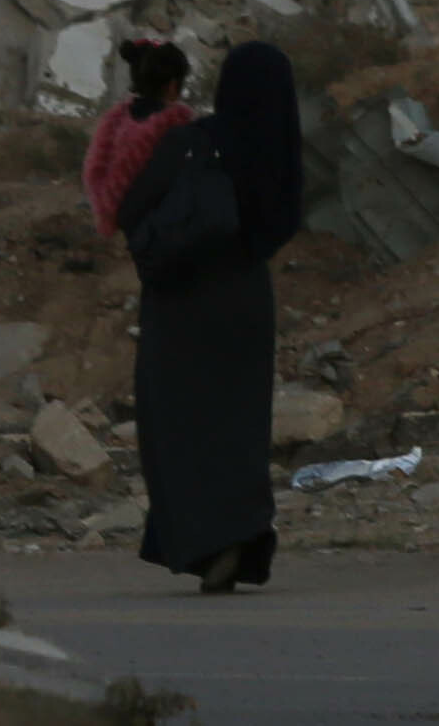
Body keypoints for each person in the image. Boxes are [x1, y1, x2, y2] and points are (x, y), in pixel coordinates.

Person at [117, 39, 306, 595]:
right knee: (239, 426)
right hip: (246, 298)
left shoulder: (193, 143)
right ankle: (240, 536)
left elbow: (129, 206)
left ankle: (199, 540)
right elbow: (283, 222)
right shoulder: (280, 154)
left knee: (176, 424)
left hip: (181, 299)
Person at [83, 38, 195, 235]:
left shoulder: (114, 123)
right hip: (155, 235)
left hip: (112, 218)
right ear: (172, 86)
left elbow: (95, 172)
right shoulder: (175, 130)